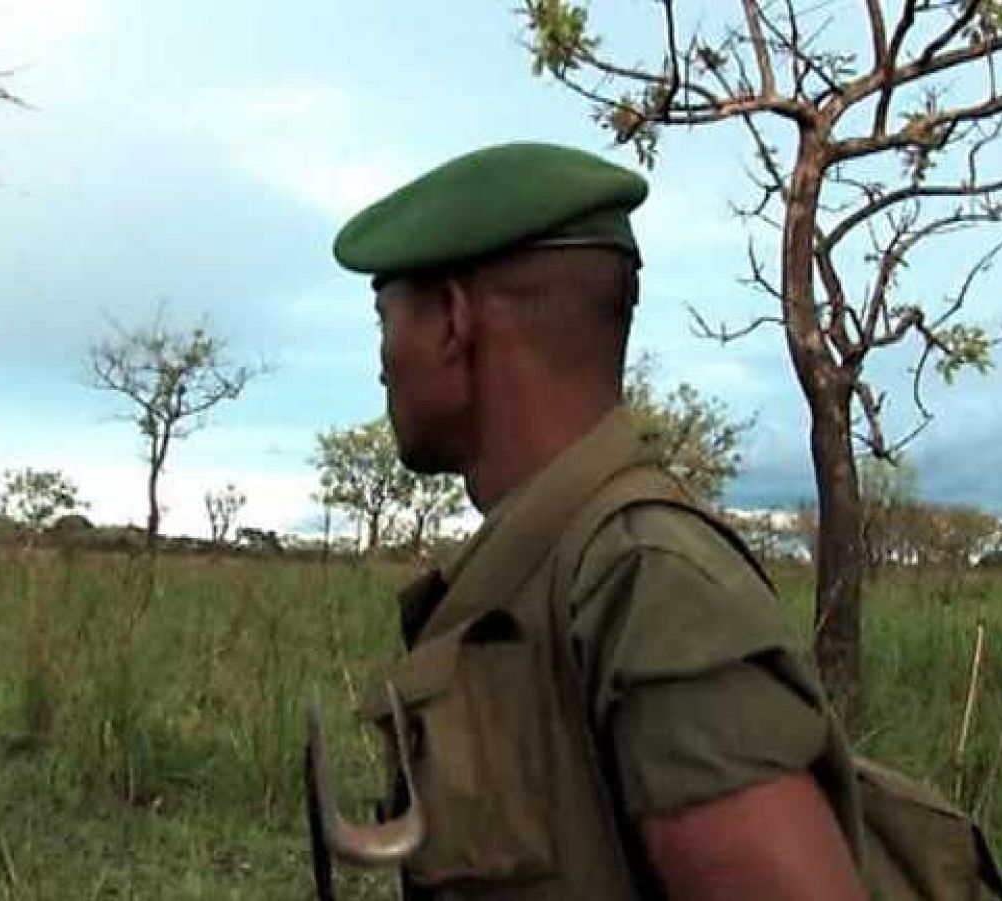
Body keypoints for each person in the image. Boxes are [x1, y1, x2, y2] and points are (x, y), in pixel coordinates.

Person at [330, 141, 867, 900]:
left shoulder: (649, 575)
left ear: (452, 321)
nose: (382, 361)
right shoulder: (549, 562)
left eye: (385, 320)